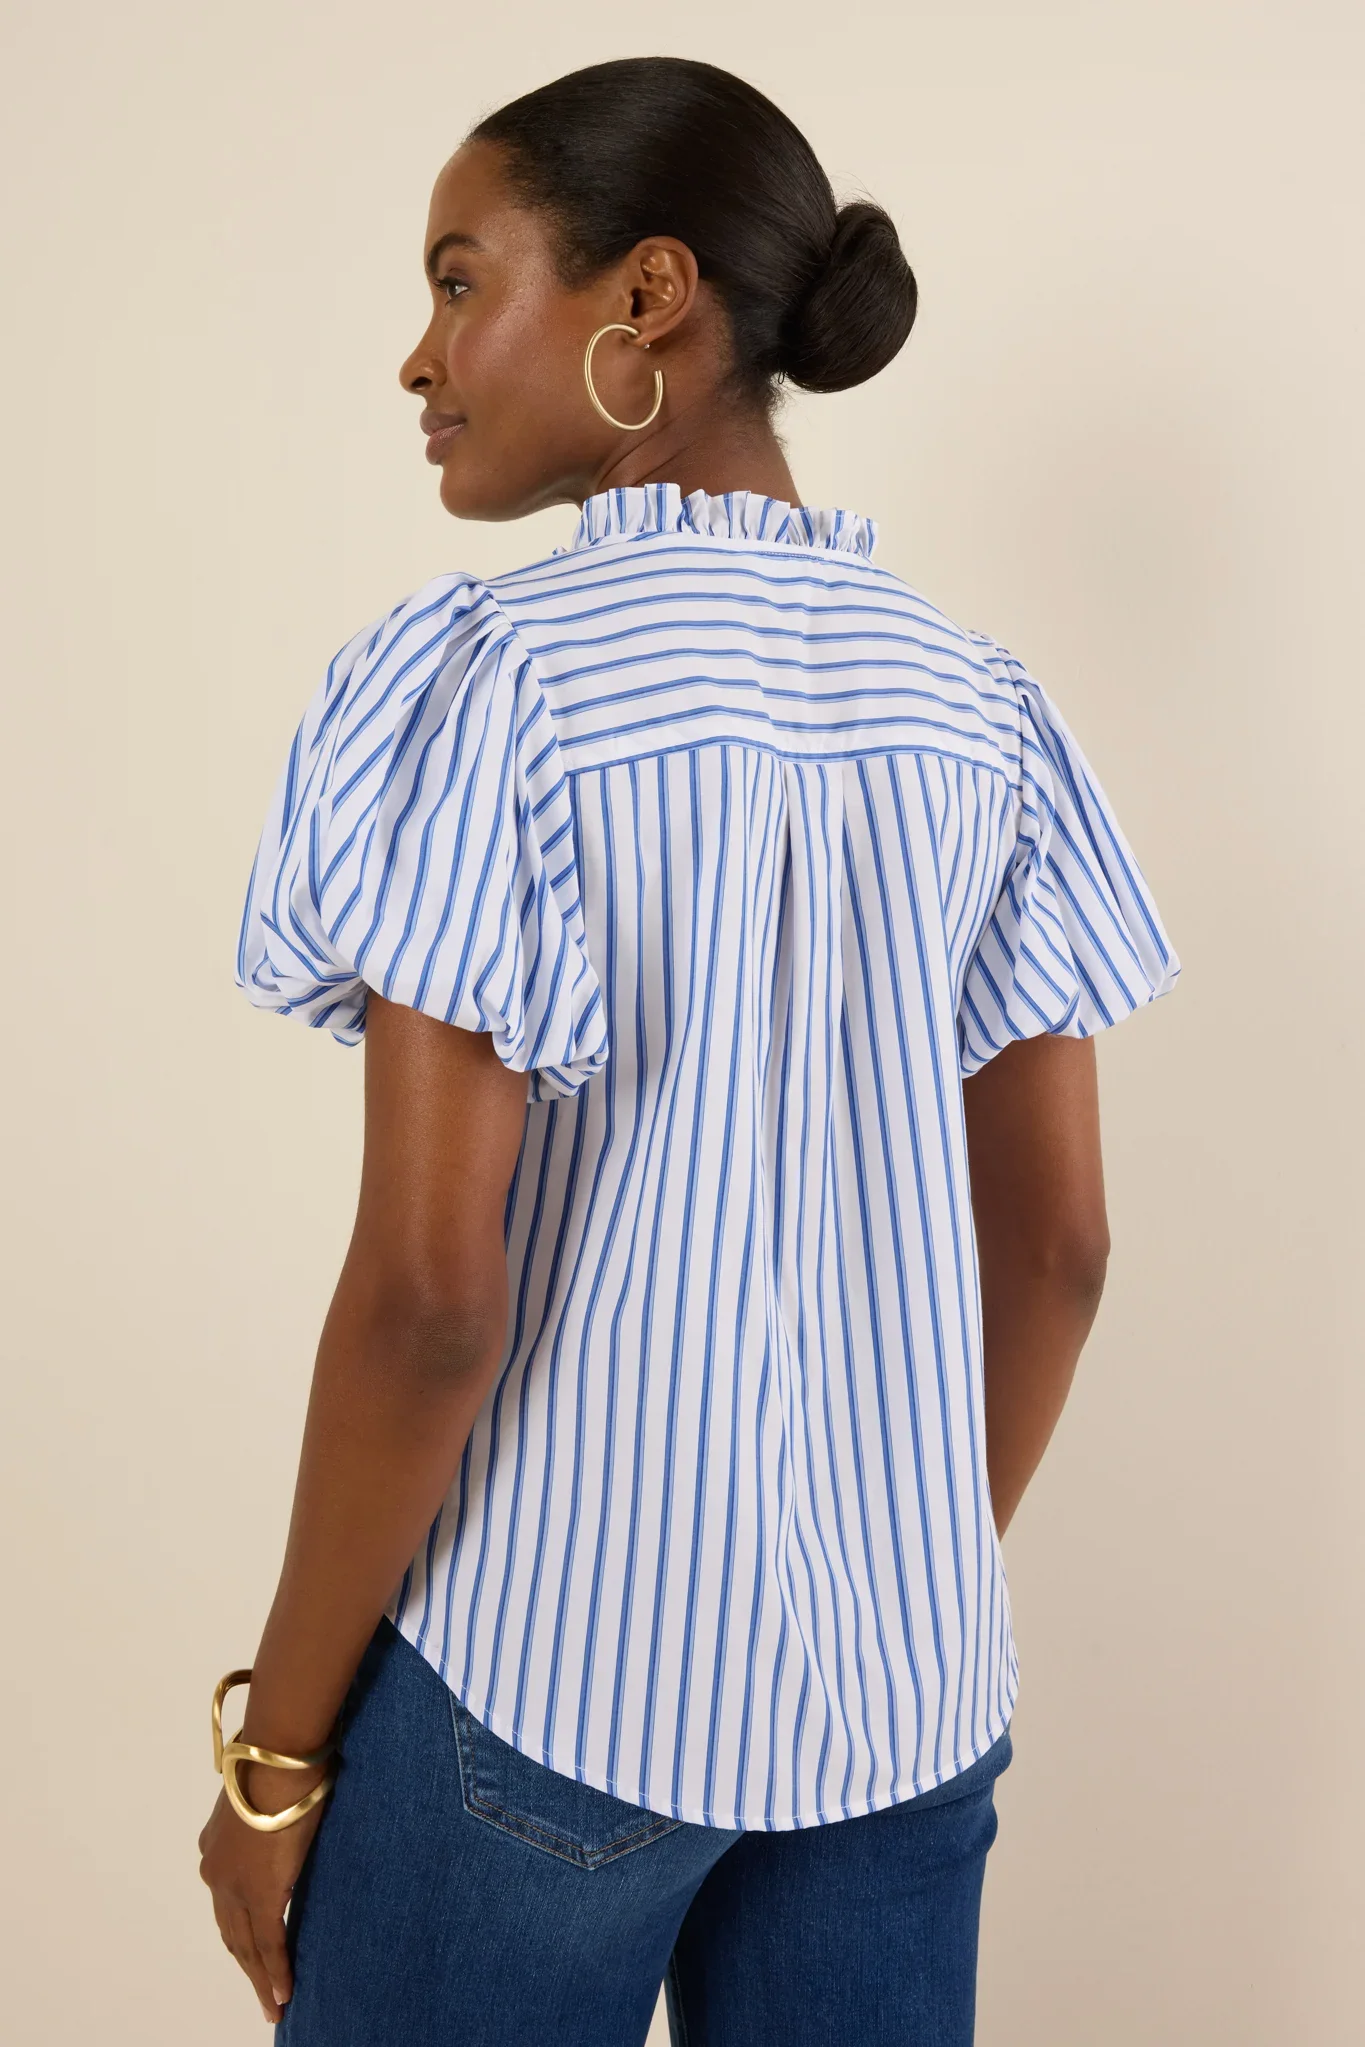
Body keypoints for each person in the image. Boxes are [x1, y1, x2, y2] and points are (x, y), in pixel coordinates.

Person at [198, 54, 1179, 2047]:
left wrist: (276, 1754)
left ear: (647, 297)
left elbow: (428, 1302)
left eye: (460, 279)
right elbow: (1061, 1245)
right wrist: (886, 1569)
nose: (419, 356)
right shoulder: (981, 711)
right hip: (901, 1718)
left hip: (544, 1694)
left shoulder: (500, 689)